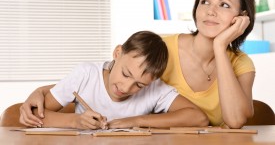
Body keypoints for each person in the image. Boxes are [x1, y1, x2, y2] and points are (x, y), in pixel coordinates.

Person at [19, 31, 208, 129]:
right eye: (126, 74)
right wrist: (75, 121)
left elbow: (199, 118)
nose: (126, 87)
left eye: (139, 85)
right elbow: (35, 116)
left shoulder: (154, 89)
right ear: (118, 53)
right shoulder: (86, 74)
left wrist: (137, 120)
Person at [161, 0, 255, 129]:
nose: (211, 11)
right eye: (205, 2)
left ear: (242, 17)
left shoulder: (241, 63)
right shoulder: (162, 49)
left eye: (224, 5)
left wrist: (219, 47)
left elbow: (236, 120)